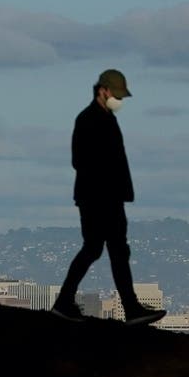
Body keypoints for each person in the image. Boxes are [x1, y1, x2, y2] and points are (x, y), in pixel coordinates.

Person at [51, 69, 166, 326]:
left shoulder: (107, 118)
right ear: (103, 90)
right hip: (97, 198)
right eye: (117, 94)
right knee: (100, 249)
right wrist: (107, 185)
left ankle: (72, 303)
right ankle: (126, 308)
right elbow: (79, 160)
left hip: (108, 198)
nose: (120, 100)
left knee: (110, 249)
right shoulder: (89, 119)